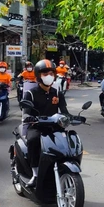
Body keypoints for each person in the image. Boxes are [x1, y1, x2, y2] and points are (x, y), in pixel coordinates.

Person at [21, 59, 70, 187]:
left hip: (54, 127)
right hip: (37, 126)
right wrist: (29, 117)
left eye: (51, 73)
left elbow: (64, 111)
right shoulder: (30, 94)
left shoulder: (58, 93)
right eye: (45, 73)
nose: (49, 76)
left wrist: (69, 118)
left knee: (67, 142)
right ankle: (35, 174)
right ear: (38, 76)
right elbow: (26, 112)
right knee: (33, 140)